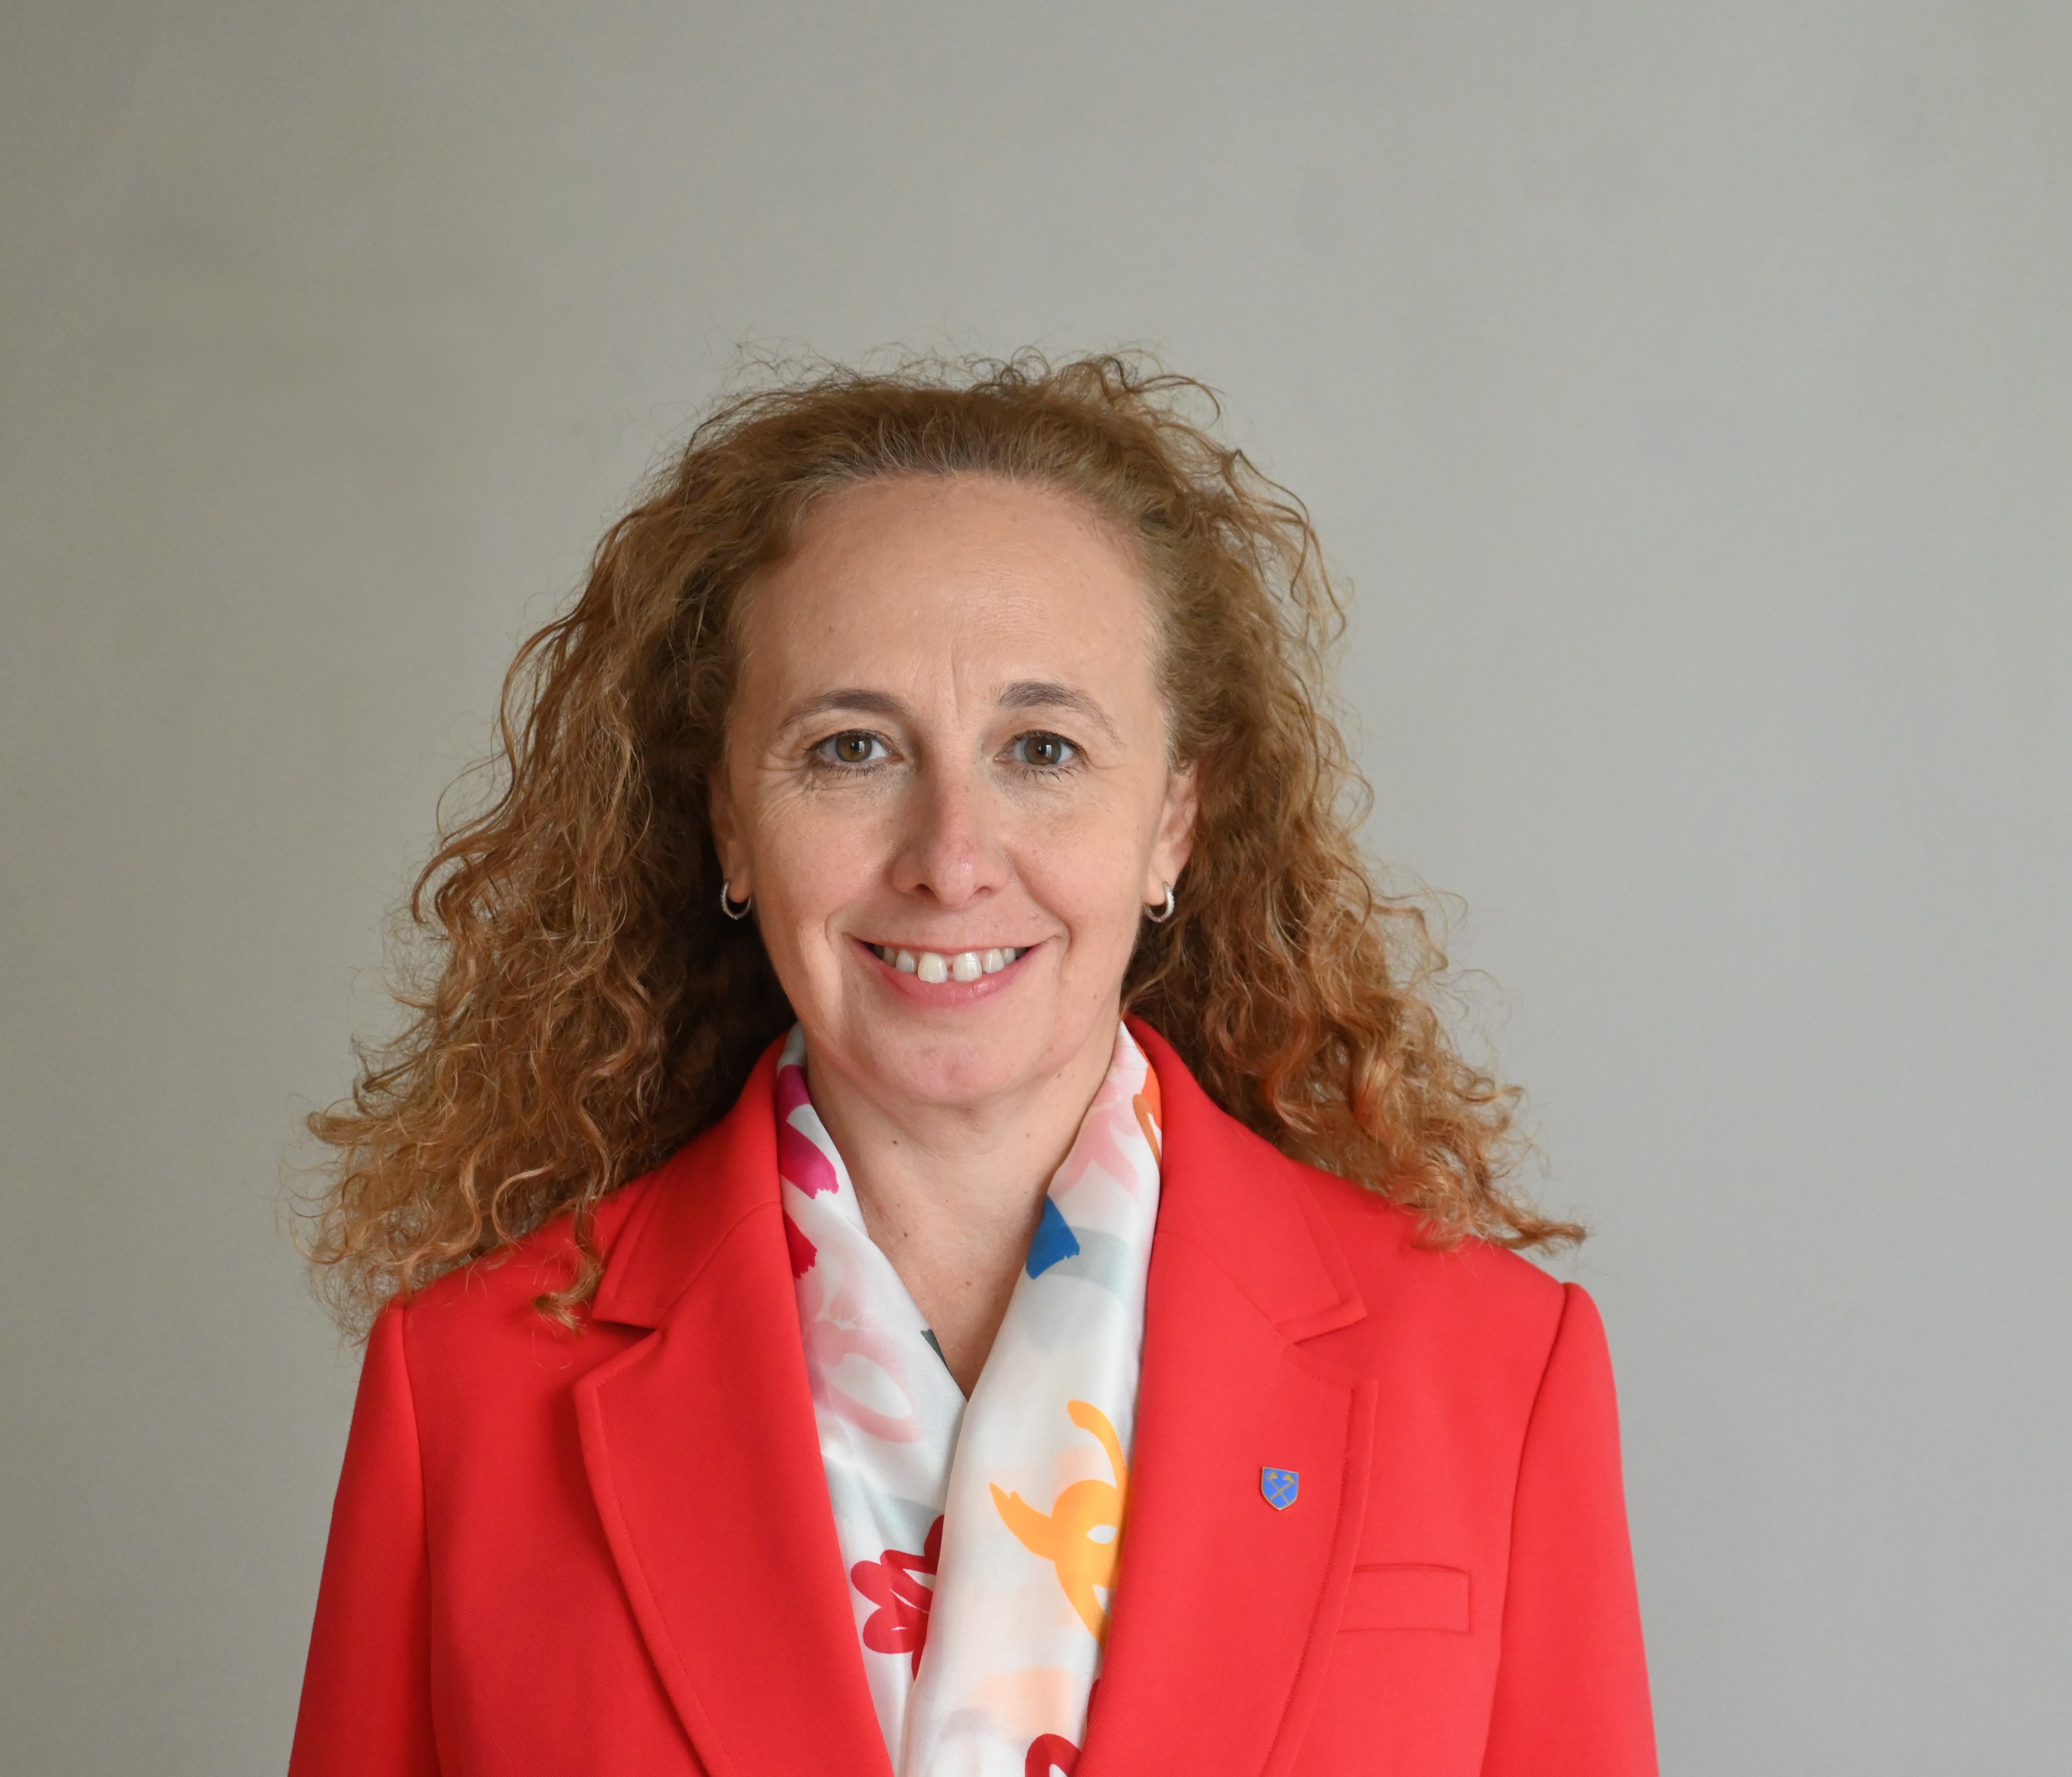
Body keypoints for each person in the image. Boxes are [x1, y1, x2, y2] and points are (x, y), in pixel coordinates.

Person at [290, 354, 1656, 1777]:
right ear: (730, 822)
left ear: (1175, 818)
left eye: (1043, 750)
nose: (951, 860)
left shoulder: (1493, 1372)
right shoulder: (467, 1396)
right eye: (852, 749)